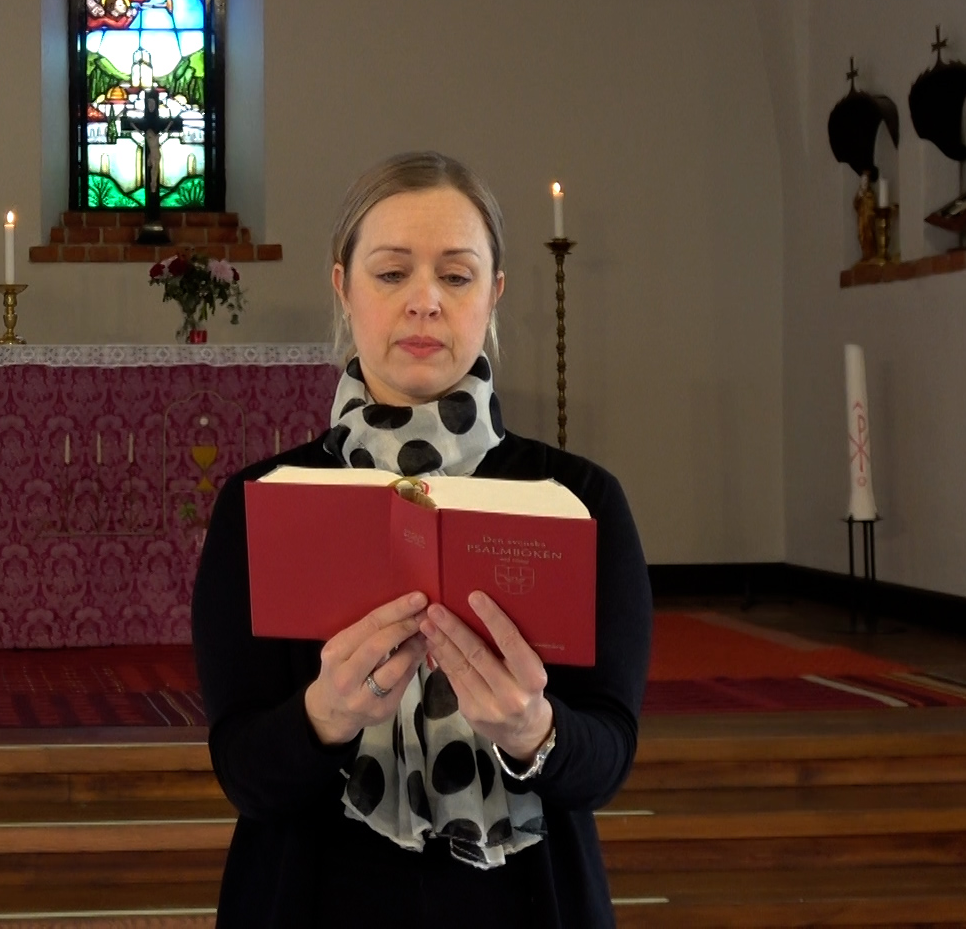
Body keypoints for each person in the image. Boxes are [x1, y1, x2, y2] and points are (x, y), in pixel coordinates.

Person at [192, 151, 651, 926]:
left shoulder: (581, 500)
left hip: (525, 901)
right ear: (343, 287)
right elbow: (244, 773)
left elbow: (606, 757)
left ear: (494, 293)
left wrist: (532, 731)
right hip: (311, 894)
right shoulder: (258, 502)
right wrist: (325, 715)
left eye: (457, 275)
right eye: (391, 272)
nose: (425, 302)